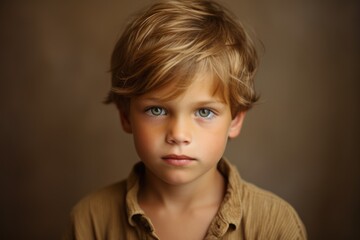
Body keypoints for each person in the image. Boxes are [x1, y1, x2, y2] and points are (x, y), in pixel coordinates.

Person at [63, 0, 307, 239]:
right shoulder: (90, 220)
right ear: (125, 116)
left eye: (204, 112)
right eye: (157, 110)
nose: (179, 135)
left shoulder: (274, 226)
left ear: (235, 120)